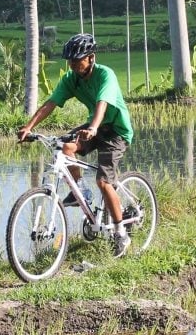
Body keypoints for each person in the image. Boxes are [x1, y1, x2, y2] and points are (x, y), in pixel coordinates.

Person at [17, 33, 135, 257]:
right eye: (70, 61)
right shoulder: (72, 79)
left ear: (90, 58)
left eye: (77, 59)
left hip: (115, 131)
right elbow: (51, 103)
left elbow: (102, 103)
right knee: (66, 147)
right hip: (95, 127)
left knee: (103, 181)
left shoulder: (105, 75)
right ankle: (81, 190)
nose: (72, 64)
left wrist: (92, 128)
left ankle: (121, 233)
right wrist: (29, 126)